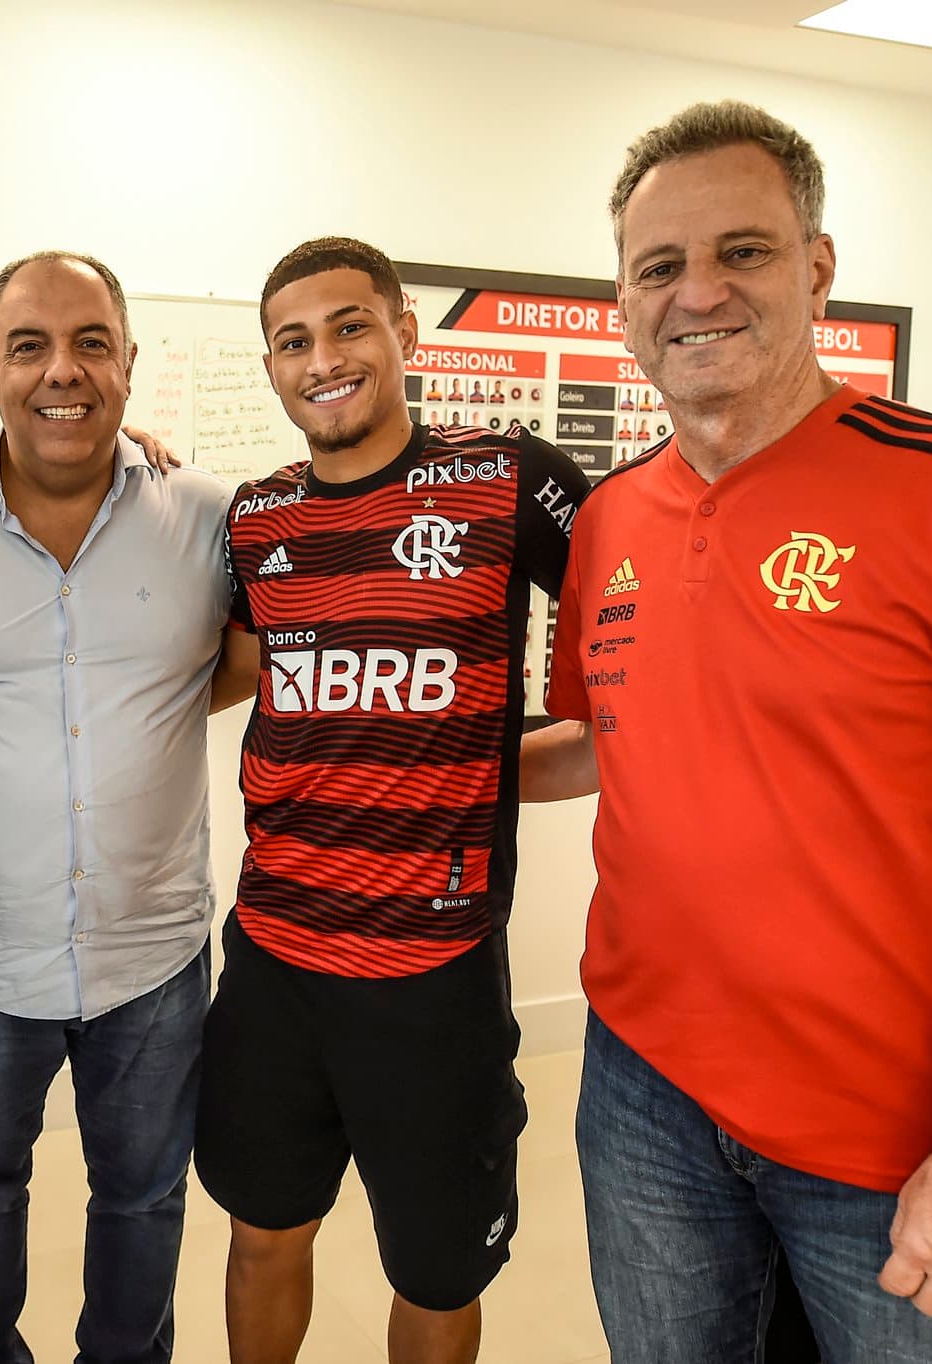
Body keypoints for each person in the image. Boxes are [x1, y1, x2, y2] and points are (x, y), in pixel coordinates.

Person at [522, 100, 932, 1363]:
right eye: (658, 266)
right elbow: (604, 738)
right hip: (643, 1096)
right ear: (620, 300)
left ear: (816, 266)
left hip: (896, 1135)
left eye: (741, 250)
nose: (698, 293)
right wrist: (403, 761)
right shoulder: (612, 517)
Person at [198, 236, 591, 1364]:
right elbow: (230, 675)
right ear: (270, 365)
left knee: (432, 1265)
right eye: (291, 340)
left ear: (403, 331)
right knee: (263, 1229)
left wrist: (505, 765)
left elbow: (642, 625)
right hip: (272, 960)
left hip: (433, 979)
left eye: (347, 325)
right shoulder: (254, 518)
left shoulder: (507, 475)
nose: (322, 359)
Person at [0, 250, 230, 1364]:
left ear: (127, 362)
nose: (59, 371)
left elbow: (243, 664)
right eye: (28, 345)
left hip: (153, 953)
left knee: (144, 1196)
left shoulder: (206, 517)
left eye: (88, 343)